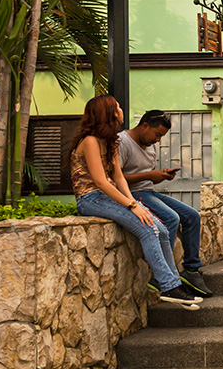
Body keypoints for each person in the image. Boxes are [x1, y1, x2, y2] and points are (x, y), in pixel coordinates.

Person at [68, 96, 201, 308]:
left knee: (162, 230)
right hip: (90, 198)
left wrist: (134, 203)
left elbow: (119, 177)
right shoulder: (90, 141)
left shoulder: (110, 142)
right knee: (148, 229)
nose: (121, 110)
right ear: (107, 113)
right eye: (117, 107)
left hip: (109, 196)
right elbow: (101, 182)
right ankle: (168, 286)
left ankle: (173, 283)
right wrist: (132, 206)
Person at [117, 110, 213, 297]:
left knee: (192, 216)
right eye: (157, 134)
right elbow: (116, 178)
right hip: (132, 195)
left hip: (149, 192)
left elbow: (148, 179)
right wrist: (149, 175)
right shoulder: (122, 142)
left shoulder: (150, 147)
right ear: (144, 126)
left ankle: (191, 270)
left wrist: (161, 176)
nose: (158, 140)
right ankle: (163, 275)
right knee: (171, 218)